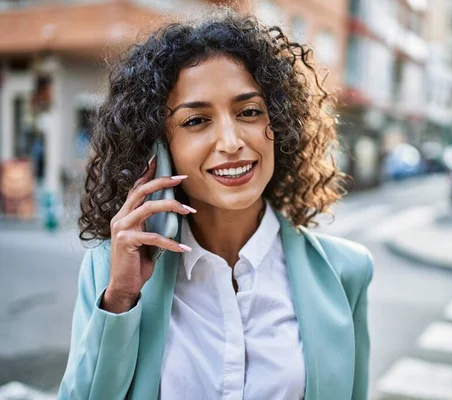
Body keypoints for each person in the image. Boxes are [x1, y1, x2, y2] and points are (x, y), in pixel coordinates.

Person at [58, 9, 373, 400]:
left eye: (249, 112)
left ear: (280, 123)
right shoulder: (110, 271)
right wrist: (121, 300)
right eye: (196, 121)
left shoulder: (346, 273)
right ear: (157, 146)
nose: (230, 141)